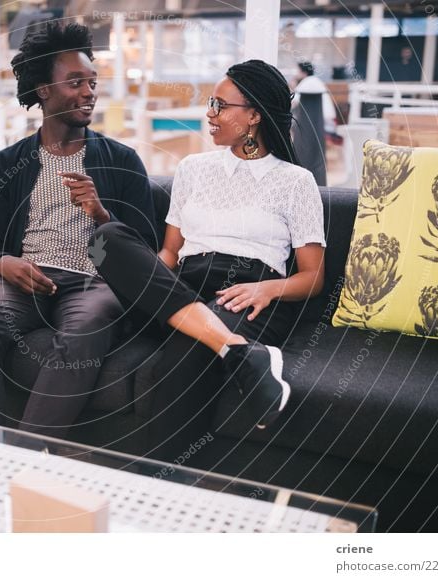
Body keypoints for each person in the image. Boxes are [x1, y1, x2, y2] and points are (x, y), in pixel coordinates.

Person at [94, 60, 326, 461]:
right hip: (183, 287)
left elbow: (314, 277)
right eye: (210, 103)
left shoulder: (295, 181)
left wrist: (267, 288)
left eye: (220, 105)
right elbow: (169, 252)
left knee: (184, 357)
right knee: (104, 239)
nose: (209, 114)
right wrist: (140, 276)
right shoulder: (192, 169)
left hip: (243, 294)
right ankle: (239, 352)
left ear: (253, 115)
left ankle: (158, 488)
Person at [0, 22, 155, 439]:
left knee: (87, 328)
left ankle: (26, 452)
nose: (89, 92)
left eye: (92, 82)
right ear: (44, 91)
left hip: (92, 284)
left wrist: (101, 214)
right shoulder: (8, 164)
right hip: (25, 279)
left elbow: (146, 249)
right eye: (75, 82)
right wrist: (4, 263)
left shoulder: (123, 161)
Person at [292, 61, 338, 139]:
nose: (296, 74)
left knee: (290, 123)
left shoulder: (306, 82)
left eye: (298, 71)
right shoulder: (316, 81)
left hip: (321, 123)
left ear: (304, 73)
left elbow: (293, 103)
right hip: (327, 122)